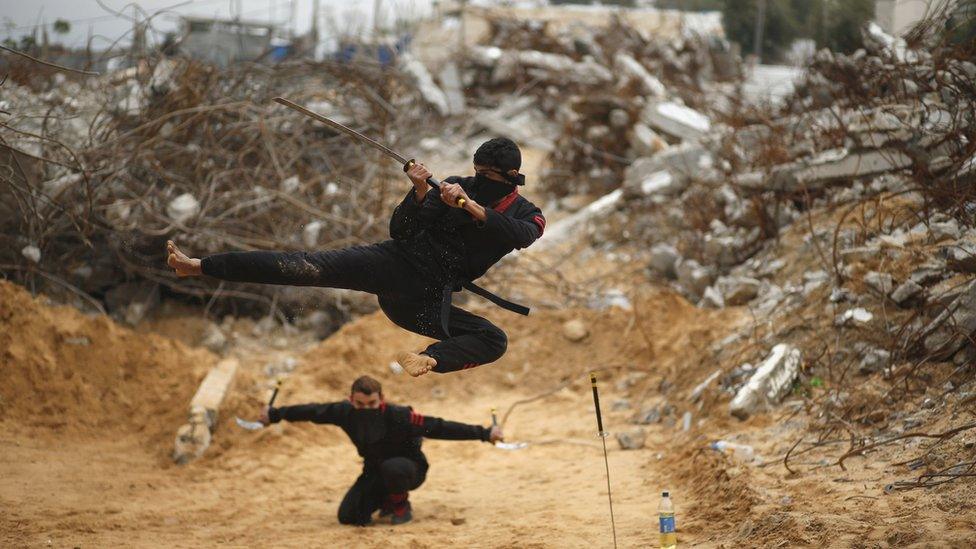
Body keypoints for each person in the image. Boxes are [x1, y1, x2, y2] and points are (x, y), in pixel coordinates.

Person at [167, 137, 545, 377]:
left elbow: (522, 235)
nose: (478, 179)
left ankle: (430, 359)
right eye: (476, 171)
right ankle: (199, 266)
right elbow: (402, 230)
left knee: (493, 339)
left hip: (425, 299)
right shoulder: (457, 185)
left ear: (511, 176)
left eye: (487, 175)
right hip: (393, 263)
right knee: (306, 267)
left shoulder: (526, 213)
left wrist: (473, 208)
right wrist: (417, 191)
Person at [259, 375, 504, 525]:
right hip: (375, 471)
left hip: (410, 469)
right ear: (351, 400)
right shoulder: (343, 412)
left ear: (382, 399)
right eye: (360, 404)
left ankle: (401, 506)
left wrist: (483, 433)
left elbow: (439, 427)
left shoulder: (400, 415)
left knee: (393, 467)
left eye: (372, 403)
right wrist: (276, 414)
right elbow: (312, 411)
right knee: (349, 517)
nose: (366, 408)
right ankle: (385, 498)